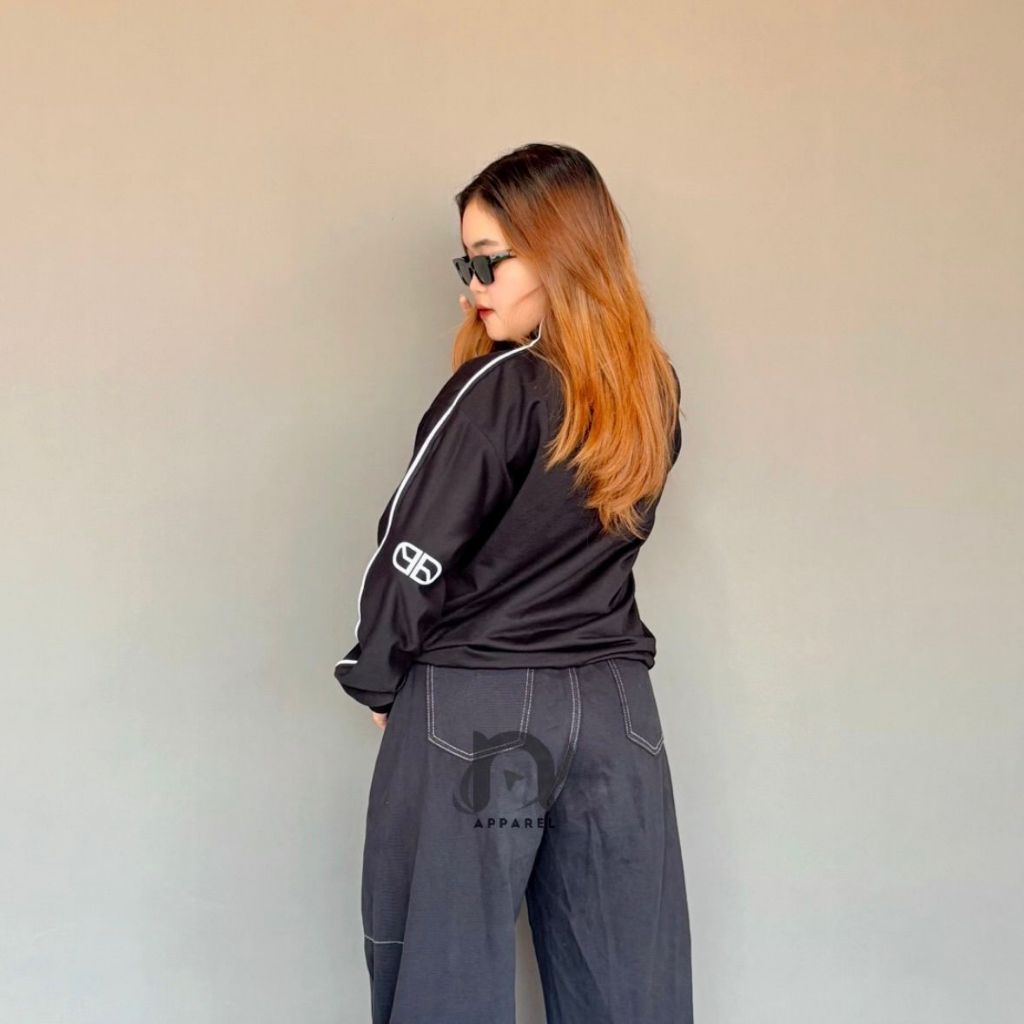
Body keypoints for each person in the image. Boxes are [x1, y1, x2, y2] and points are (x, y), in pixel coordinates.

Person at [334, 143, 693, 1024]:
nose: (474, 286)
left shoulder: (499, 388)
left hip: (478, 705)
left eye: (491, 260)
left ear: (561, 251)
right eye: (468, 265)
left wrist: (378, 675)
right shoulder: (651, 391)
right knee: (630, 990)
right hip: (616, 714)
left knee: (443, 981)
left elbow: (413, 547)